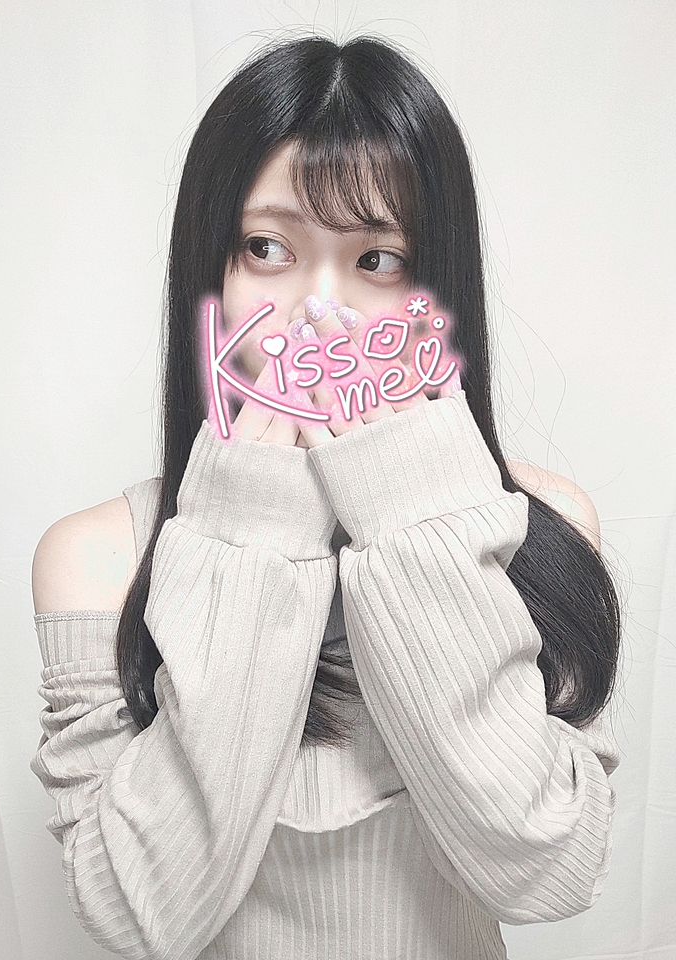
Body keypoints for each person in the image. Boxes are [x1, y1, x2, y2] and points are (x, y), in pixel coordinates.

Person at [30, 35, 622, 960]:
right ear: (210, 274)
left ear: (437, 289)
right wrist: (247, 537)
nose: (318, 310)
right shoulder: (98, 556)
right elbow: (141, 917)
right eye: (266, 248)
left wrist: (413, 514)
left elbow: (547, 873)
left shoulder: (538, 528)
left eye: (377, 259)